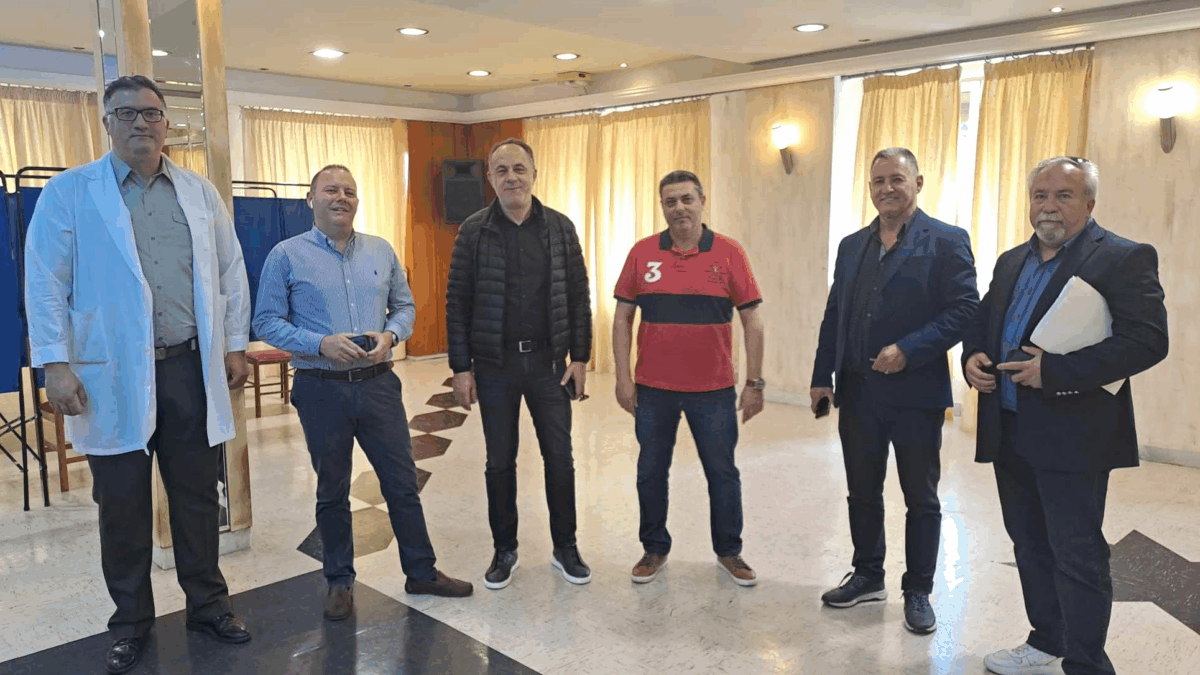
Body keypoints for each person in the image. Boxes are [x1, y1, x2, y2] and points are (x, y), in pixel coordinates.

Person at [25, 75, 253, 674]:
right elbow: (44, 282)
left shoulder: (198, 192)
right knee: (122, 506)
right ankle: (130, 623)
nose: (140, 123)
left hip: (188, 368)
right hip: (111, 378)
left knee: (198, 498)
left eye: (151, 113)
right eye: (125, 113)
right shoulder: (70, 193)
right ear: (106, 123)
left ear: (166, 123)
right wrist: (55, 364)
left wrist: (234, 345)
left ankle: (209, 606)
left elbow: (230, 271)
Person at [963, 157, 1167, 675]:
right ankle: (1046, 639)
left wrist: (1053, 371)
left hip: (1075, 435)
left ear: (1089, 203)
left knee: (1078, 555)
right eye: (1040, 195)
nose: (1049, 206)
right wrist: (973, 356)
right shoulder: (1012, 260)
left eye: (1064, 195)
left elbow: (1147, 341)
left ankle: (1087, 663)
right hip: (1010, 427)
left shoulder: (1123, 257)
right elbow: (985, 320)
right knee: (1029, 544)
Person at [253, 165, 473, 617]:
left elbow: (405, 307)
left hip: (378, 387)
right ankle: (338, 581)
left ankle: (421, 571)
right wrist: (320, 343)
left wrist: (392, 334)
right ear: (310, 199)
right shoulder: (285, 255)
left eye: (350, 191)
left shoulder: (380, 249)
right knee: (332, 489)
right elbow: (265, 321)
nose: (342, 198)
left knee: (401, 483)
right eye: (331, 190)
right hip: (321, 389)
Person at [809, 147, 979, 634]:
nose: (887, 188)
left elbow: (965, 309)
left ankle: (918, 590)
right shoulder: (852, 245)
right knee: (862, 491)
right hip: (858, 392)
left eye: (897, 179)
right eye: (878, 180)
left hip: (915, 394)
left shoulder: (947, 240)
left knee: (920, 497)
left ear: (917, 183)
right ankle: (868, 575)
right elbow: (836, 314)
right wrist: (822, 376)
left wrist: (909, 348)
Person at [446, 138, 593, 589]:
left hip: (550, 365)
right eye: (502, 170)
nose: (511, 177)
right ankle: (504, 549)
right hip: (495, 367)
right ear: (490, 178)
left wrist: (581, 357)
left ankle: (565, 547)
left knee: (560, 460)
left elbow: (579, 296)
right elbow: (457, 302)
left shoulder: (560, 228)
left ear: (534, 174)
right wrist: (461, 368)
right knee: (499, 462)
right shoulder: (473, 230)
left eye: (519, 169)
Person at [612, 170, 766, 587]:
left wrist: (755, 383)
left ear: (701, 201)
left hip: (713, 390)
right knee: (651, 471)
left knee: (722, 472)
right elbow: (622, 318)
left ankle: (729, 551)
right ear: (662, 207)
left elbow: (752, 321)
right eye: (670, 202)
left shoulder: (729, 252)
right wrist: (623, 378)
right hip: (653, 388)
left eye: (686, 199)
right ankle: (653, 548)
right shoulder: (642, 253)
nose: (679, 208)